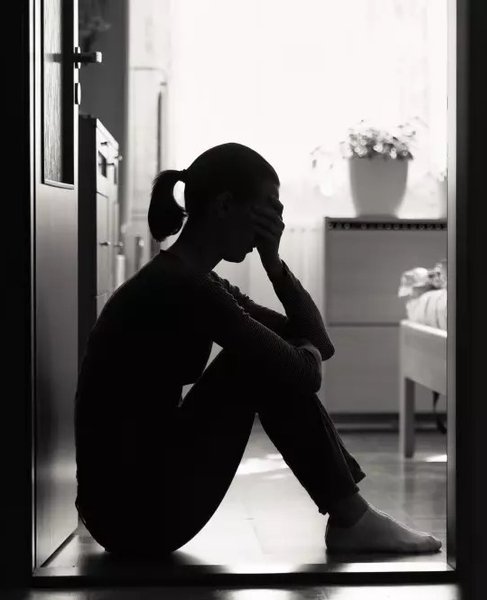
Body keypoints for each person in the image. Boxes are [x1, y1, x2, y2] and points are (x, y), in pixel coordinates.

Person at [73, 142, 442, 557]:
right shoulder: (185, 287)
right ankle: (352, 517)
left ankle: (351, 516)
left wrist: (274, 263)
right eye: (269, 208)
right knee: (255, 364)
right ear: (226, 205)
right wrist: (300, 356)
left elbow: (317, 343)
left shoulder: (194, 279)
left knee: (263, 358)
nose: (276, 223)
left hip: (126, 510)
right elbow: (306, 371)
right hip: (134, 518)